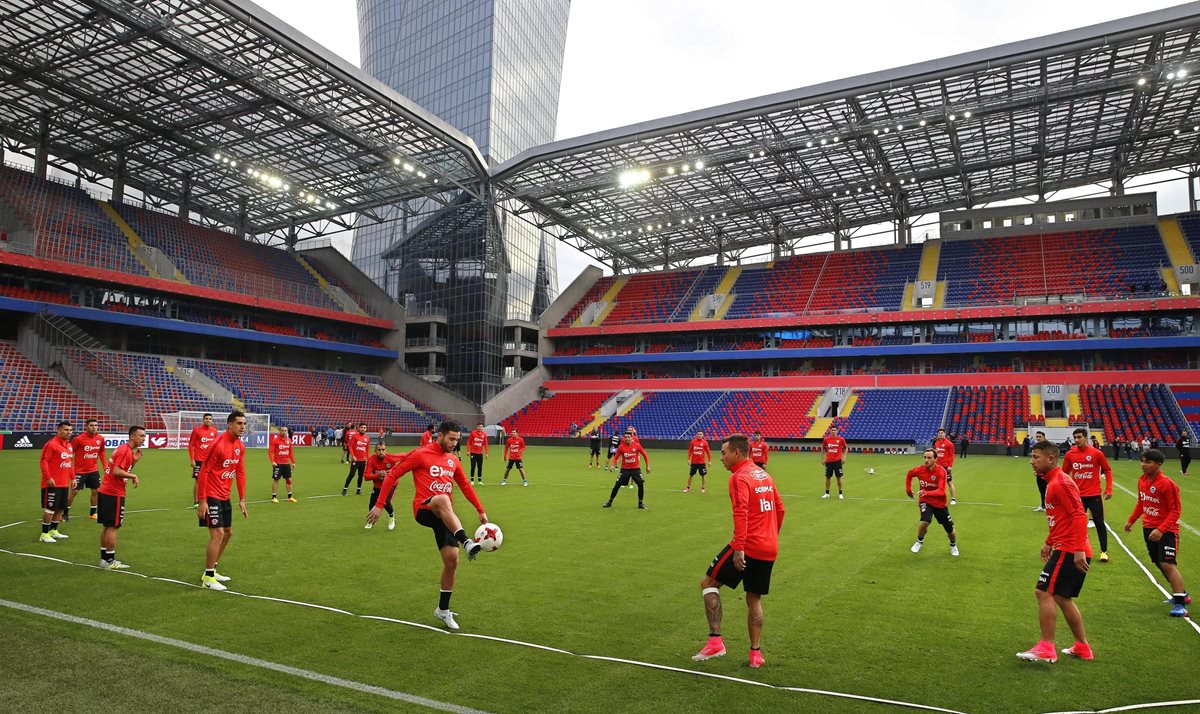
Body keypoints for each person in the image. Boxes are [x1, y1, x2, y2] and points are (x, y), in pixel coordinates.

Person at [367, 422, 488, 630]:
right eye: (451, 439)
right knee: (442, 499)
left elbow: (466, 485)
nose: (454, 443)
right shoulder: (420, 454)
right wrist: (379, 505)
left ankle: (443, 610)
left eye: (457, 440)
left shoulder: (452, 461)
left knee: (452, 561)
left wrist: (480, 510)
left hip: (444, 515)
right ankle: (467, 542)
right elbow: (393, 475)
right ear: (439, 436)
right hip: (424, 509)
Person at [691, 434, 785, 668]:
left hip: (747, 545)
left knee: (708, 583)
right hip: (768, 546)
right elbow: (780, 509)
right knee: (754, 598)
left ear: (737, 453)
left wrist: (739, 547)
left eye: (723, 453)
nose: (721, 458)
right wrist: (771, 535)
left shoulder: (739, 477)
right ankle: (755, 654)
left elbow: (740, 512)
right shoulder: (765, 474)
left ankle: (715, 642)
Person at [1017, 441, 1093, 663]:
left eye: (1036, 457)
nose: (1032, 461)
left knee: (1043, 591)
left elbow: (1079, 515)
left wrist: (1078, 548)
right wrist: (1049, 541)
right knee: (1061, 596)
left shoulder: (1060, 482)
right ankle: (1082, 647)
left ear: (1050, 459)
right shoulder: (1052, 482)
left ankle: (1046, 647)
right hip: (1065, 545)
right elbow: (1061, 518)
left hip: (1070, 548)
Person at [1125, 449, 1191, 617]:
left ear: (1158, 464)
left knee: (1168, 564)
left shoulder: (1167, 484)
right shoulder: (1142, 480)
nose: (1143, 465)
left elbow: (1175, 511)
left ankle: (1181, 605)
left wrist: (1161, 529)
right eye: (1142, 461)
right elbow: (1142, 503)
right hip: (1148, 528)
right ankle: (1181, 594)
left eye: (1147, 462)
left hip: (1166, 530)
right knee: (1159, 563)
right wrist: (1131, 520)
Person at [196, 411, 249, 591]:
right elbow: (204, 472)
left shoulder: (240, 446)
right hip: (211, 495)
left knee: (228, 533)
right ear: (229, 425)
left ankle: (213, 569)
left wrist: (242, 499)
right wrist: (202, 500)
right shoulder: (218, 444)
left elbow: (240, 473)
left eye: (244, 423)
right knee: (217, 534)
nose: (243, 427)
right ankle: (208, 577)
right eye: (239, 423)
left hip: (225, 496)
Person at [1062, 428, 1113, 563]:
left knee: (1099, 523)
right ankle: (1072, 549)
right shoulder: (1070, 454)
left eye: (1079, 437)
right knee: (1074, 524)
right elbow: (1064, 474)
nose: (1077, 440)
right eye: (1075, 438)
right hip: (1077, 496)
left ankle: (1103, 552)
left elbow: (1107, 470)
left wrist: (1108, 489)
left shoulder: (1096, 454)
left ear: (1086, 438)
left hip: (1094, 495)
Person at [97, 425, 144, 570]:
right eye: (141, 436)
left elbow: (121, 469)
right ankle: (110, 561)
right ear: (132, 436)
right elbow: (117, 472)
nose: (144, 438)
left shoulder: (126, 450)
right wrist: (133, 476)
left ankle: (104, 560)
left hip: (106, 490)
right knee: (113, 527)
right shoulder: (125, 450)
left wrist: (134, 461)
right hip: (113, 492)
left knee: (107, 526)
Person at [905, 448, 958, 556]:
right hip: (925, 501)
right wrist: (908, 489)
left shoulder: (941, 471)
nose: (926, 460)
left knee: (950, 530)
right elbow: (909, 474)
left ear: (935, 459)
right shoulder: (919, 470)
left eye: (929, 458)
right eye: (924, 457)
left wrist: (925, 493)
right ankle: (919, 541)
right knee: (925, 520)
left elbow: (941, 491)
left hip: (940, 504)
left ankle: (953, 545)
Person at [38, 421, 74, 543]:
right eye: (65, 430)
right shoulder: (51, 444)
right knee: (50, 509)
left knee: (60, 508)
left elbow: (69, 464)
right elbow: (43, 462)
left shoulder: (69, 445)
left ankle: (53, 530)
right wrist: (48, 477)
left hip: (64, 483)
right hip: (52, 484)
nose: (68, 432)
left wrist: (73, 478)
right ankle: (44, 534)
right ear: (58, 430)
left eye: (70, 430)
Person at [68, 417, 106, 522]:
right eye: (91, 425)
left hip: (93, 470)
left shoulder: (100, 438)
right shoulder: (79, 439)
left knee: (96, 491)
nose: (94, 427)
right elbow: (70, 453)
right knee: (74, 492)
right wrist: (69, 466)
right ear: (86, 427)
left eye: (96, 425)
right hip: (79, 471)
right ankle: (64, 514)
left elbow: (101, 452)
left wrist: (105, 466)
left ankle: (93, 513)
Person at [364, 442, 404, 531]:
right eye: (379, 450)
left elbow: (406, 456)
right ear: (375, 451)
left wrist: (396, 470)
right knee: (372, 504)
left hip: (391, 485)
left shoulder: (390, 457)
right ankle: (370, 521)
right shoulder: (371, 459)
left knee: (385, 501)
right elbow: (366, 477)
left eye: (383, 450)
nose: (381, 452)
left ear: (386, 450)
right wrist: (378, 475)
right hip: (377, 486)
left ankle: (391, 516)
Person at [604, 432, 650, 509]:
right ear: (623, 438)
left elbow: (644, 454)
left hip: (635, 469)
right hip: (625, 469)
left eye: (629, 437)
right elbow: (616, 457)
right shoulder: (621, 447)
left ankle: (640, 503)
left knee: (641, 484)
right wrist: (613, 465)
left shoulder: (637, 445)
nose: (627, 438)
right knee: (617, 484)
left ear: (631, 438)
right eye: (626, 437)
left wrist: (647, 466)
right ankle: (610, 502)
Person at [188, 413, 218, 510]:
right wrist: (192, 459)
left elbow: (217, 445)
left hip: (211, 460)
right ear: (203, 420)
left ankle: (209, 498)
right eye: (206, 419)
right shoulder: (197, 430)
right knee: (198, 480)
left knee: (212, 480)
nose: (208, 420)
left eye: (210, 419)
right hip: (199, 460)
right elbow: (191, 445)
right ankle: (196, 502)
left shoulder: (214, 431)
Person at [269, 426, 297, 503]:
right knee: (276, 480)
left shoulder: (289, 440)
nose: (284, 432)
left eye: (285, 430)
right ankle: (274, 497)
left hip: (287, 464)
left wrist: (293, 462)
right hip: (278, 464)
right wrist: (272, 461)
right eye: (282, 430)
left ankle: (290, 497)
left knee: (289, 480)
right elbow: (270, 452)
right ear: (279, 431)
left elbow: (290, 452)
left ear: (287, 431)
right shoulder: (275, 441)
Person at [932, 428, 958, 505]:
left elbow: (952, 455)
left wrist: (950, 466)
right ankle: (937, 498)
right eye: (939, 433)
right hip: (937, 467)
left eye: (942, 433)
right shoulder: (936, 443)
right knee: (936, 483)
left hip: (946, 467)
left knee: (949, 482)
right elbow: (935, 454)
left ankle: (953, 499)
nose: (940, 434)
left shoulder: (949, 443)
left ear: (945, 434)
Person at [342, 423, 370, 496]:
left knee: (361, 475)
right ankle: (345, 489)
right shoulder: (355, 436)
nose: (363, 429)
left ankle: (358, 490)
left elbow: (367, 449)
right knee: (351, 474)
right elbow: (350, 446)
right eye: (362, 427)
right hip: (356, 460)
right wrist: (353, 456)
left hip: (363, 460)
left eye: (364, 428)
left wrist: (368, 458)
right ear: (359, 428)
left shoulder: (367, 438)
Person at [821, 425, 847, 499]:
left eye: (834, 430)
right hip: (828, 461)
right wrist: (823, 458)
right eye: (832, 430)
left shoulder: (841, 439)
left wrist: (844, 457)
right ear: (830, 431)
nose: (833, 431)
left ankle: (840, 493)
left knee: (839, 477)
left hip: (837, 461)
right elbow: (823, 449)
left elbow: (845, 448)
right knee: (828, 477)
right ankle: (827, 493)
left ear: (837, 431)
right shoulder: (826, 439)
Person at [1032, 430, 1048, 511]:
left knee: (1047, 491)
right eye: (1037, 437)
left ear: (1044, 437)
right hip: (1039, 473)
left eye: (1040, 437)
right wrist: (1035, 469)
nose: (1038, 438)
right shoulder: (1036, 447)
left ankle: (1048, 506)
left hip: (1047, 473)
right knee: (1041, 490)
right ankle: (1043, 506)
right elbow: (1035, 459)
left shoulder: (1048, 447)